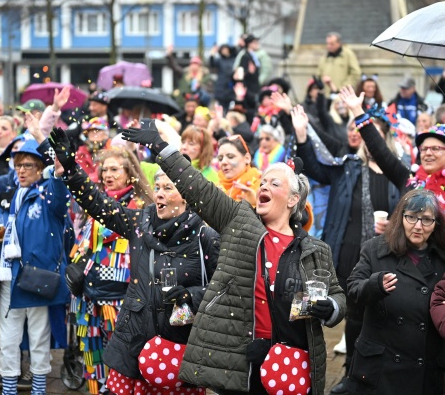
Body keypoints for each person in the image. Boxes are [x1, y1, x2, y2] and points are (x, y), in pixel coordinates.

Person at [117, 121, 346, 395]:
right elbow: (197, 187)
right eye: (263, 182)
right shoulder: (238, 219)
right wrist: (161, 147)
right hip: (241, 359)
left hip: (291, 365)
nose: (264, 186)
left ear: (293, 199)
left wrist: (330, 307)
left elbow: (338, 296)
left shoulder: (315, 249)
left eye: (274, 183)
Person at [49, 128, 220, 395]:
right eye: (159, 187)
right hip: (134, 339)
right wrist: (71, 168)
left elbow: (222, 287)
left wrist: (191, 296)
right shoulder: (140, 222)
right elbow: (100, 206)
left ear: (186, 195)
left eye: (169, 188)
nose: (160, 193)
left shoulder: (205, 234)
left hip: (180, 345)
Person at [292, 102, 403, 395]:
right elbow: (315, 170)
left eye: (373, 135)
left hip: (384, 258)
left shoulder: (399, 177)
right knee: (353, 319)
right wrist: (302, 135)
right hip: (347, 254)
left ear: (383, 139)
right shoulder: (349, 167)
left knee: (378, 318)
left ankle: (376, 375)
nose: (367, 140)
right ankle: (351, 374)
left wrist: (393, 225)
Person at [68, 147, 153, 395]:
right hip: (90, 295)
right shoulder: (95, 206)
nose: (108, 175)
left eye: (115, 169)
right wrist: (77, 266)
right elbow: (85, 246)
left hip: (121, 299)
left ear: (130, 174)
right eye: (104, 170)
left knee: (121, 359)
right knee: (93, 359)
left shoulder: (140, 208)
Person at [347, 189, 445, 395]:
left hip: (425, 371)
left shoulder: (441, 258)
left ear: (436, 223)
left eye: (426, 219)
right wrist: (375, 286)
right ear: (400, 217)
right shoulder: (375, 249)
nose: (418, 226)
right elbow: (353, 290)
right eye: (411, 217)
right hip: (381, 370)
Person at [0, 140, 71, 395]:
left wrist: (59, 177)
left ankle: (39, 390)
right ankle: (8, 389)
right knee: (8, 338)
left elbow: (61, 203)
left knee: (39, 337)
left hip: (38, 279)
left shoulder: (47, 193)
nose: (22, 170)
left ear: (40, 168)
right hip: (9, 276)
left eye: (28, 165)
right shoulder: (9, 196)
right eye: (18, 165)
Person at [338, 85, 445, 208]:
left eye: (435, 148)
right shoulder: (409, 180)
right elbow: (381, 151)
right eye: (424, 149)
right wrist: (357, 111)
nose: (428, 153)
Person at [217, 135, 261, 207]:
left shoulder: (261, 187)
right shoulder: (214, 188)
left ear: (247, 158)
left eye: (230, 156)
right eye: (220, 158)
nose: (223, 162)